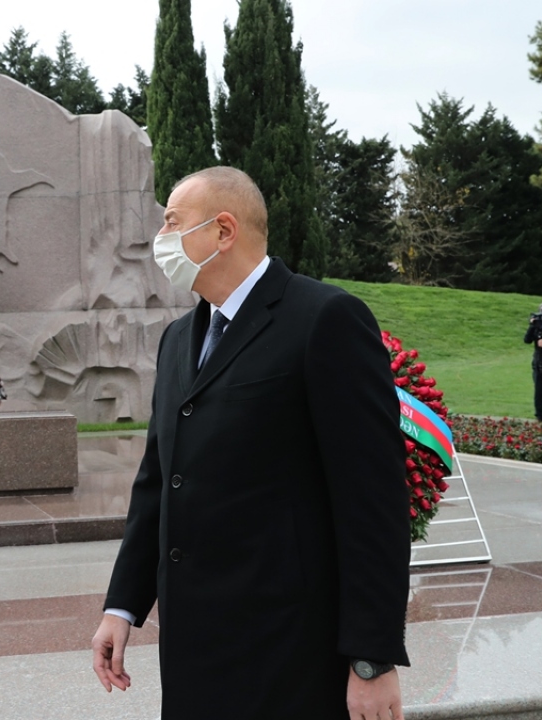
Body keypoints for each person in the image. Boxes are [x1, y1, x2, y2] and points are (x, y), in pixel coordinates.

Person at [91, 167, 412, 719]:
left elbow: (373, 502)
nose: (160, 237)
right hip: (194, 651)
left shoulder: (324, 320)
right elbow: (158, 483)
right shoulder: (176, 340)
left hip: (289, 651)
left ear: (223, 230)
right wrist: (122, 606)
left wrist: (371, 660)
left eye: (173, 221)